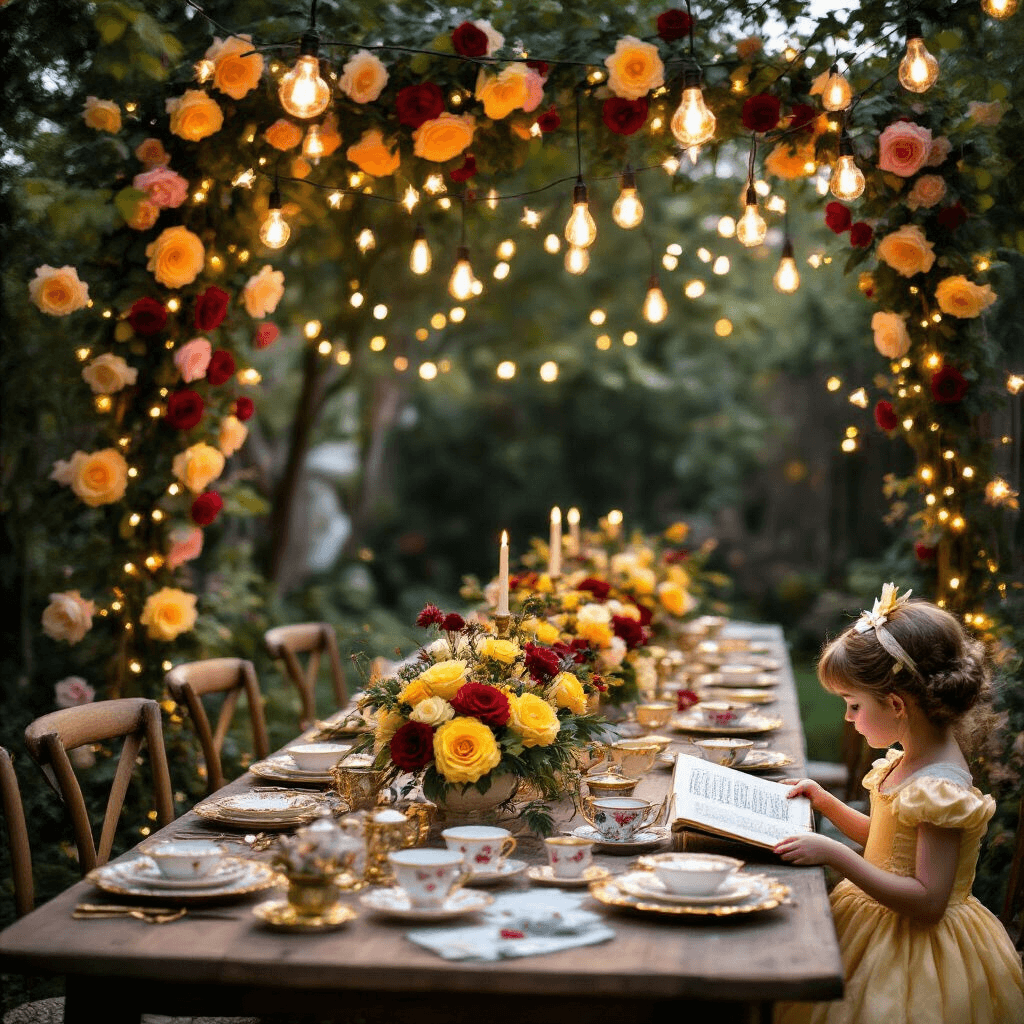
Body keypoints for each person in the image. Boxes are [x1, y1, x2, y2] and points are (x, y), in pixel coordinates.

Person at [773, 584, 1024, 1024]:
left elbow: (927, 901)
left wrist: (834, 854)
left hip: (916, 953)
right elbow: (889, 845)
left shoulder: (941, 788)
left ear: (895, 703)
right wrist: (827, 803)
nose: (848, 718)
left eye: (853, 705)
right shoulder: (910, 759)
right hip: (875, 918)